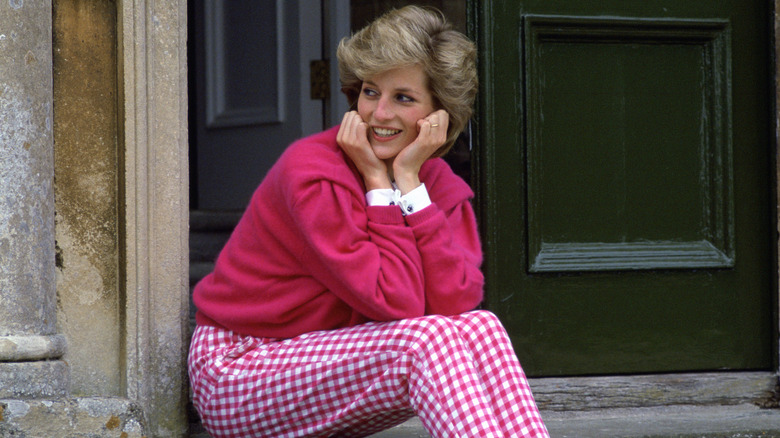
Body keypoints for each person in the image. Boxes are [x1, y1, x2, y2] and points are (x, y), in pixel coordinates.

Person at [188, 5, 549, 438]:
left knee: (481, 326)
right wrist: (379, 186)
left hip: (322, 358)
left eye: (404, 98)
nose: (379, 114)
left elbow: (455, 303)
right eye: (371, 91)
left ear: (440, 114)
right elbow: (395, 304)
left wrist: (410, 185)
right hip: (241, 368)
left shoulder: (435, 184)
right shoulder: (312, 172)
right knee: (424, 341)